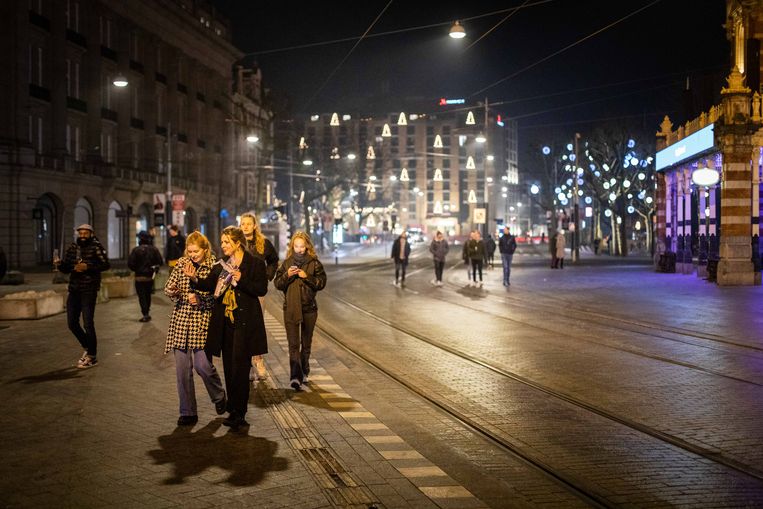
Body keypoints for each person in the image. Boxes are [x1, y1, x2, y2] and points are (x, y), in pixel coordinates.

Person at [184, 226, 268, 430]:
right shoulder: (222, 266)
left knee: (241, 368)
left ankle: (240, 413)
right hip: (226, 324)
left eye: (226, 242)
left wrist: (242, 280)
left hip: (245, 323)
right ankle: (233, 410)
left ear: (237, 243)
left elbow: (261, 288)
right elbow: (208, 285)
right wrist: (194, 278)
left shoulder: (254, 263)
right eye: (221, 242)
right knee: (230, 368)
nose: (222, 245)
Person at [164, 231, 226, 426]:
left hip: (201, 321)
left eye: (196, 251)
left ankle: (219, 396)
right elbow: (168, 287)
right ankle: (188, 411)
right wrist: (175, 292)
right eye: (189, 251)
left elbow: (216, 295)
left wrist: (200, 298)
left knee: (203, 366)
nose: (192, 255)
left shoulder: (212, 267)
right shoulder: (182, 264)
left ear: (205, 250)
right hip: (181, 321)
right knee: (182, 370)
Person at [274, 231, 327, 391]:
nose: (299, 249)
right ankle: (295, 377)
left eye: (302, 246)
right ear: (292, 247)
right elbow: (278, 284)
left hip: (309, 309)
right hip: (290, 308)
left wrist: (306, 276)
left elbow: (321, 283)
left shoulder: (314, 263)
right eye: (296, 246)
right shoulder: (286, 263)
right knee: (293, 344)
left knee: (306, 343)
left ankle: (304, 370)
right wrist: (287, 275)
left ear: (307, 247)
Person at [54, 224, 110, 368]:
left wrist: (88, 267)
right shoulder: (73, 247)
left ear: (91, 233)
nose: (83, 235)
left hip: (89, 289)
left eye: (86, 233)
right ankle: (88, 346)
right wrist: (59, 264)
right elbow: (67, 268)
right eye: (81, 233)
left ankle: (92, 356)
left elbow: (106, 265)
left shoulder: (96, 246)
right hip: (74, 289)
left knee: (88, 323)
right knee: (71, 323)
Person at [239, 212, 278, 383]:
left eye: (248, 223)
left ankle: (258, 360)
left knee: (256, 326)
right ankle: (247, 365)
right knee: (242, 328)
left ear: (255, 225)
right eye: (243, 223)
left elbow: (274, 261)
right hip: (240, 291)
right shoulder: (237, 243)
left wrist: (267, 276)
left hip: (256, 292)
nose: (245, 226)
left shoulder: (264, 244)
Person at [128, 231, 163, 322]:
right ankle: (147, 312)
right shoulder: (154, 249)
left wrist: (137, 269)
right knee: (148, 295)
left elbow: (130, 264)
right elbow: (160, 262)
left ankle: (145, 313)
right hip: (150, 277)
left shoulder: (136, 250)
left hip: (139, 277)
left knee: (142, 296)